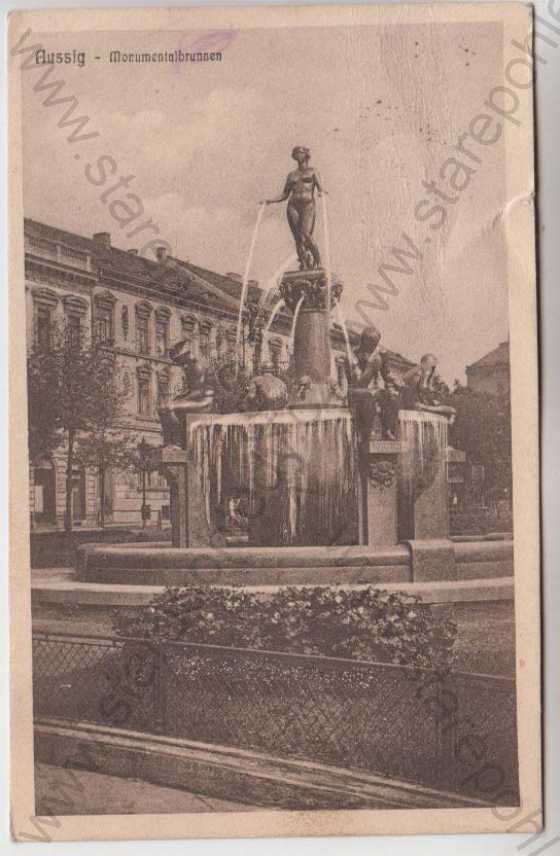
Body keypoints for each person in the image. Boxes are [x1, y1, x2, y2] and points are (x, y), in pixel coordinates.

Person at [262, 146, 325, 270]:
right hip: (293, 206)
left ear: (306, 155)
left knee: (306, 234)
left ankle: (319, 262)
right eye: (295, 153)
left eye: (300, 152)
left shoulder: (313, 171)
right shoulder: (291, 175)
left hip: (308, 205)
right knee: (298, 238)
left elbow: (320, 187)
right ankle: (304, 264)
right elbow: (285, 194)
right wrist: (270, 200)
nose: (297, 155)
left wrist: (321, 192)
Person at [346, 326, 400, 440]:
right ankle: (367, 431)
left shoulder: (378, 355)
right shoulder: (353, 355)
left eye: (376, 343)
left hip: (372, 390)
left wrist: (393, 379)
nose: (374, 347)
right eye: (371, 344)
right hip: (353, 391)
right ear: (363, 341)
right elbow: (358, 383)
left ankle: (387, 429)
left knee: (393, 397)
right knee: (369, 395)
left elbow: (386, 376)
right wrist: (371, 367)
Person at [401, 353, 456, 423]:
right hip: (418, 406)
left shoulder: (435, 378)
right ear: (424, 364)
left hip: (429, 407)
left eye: (434, 367)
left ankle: (427, 408)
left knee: (451, 410)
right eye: (431, 366)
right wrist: (419, 367)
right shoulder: (417, 377)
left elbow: (450, 406)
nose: (433, 369)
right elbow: (404, 378)